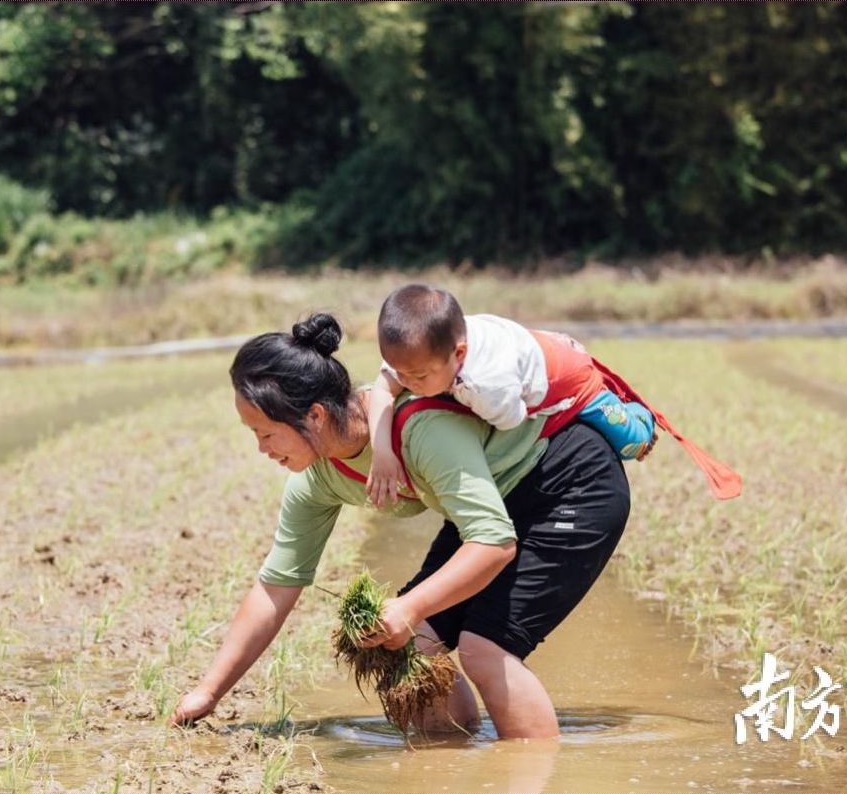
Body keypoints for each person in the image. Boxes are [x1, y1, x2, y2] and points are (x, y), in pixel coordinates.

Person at [169, 313, 634, 739]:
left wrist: (408, 606)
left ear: (313, 415)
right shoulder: (318, 478)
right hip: (497, 497)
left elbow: (492, 544)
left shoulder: (420, 429)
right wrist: (208, 693)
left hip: (570, 482)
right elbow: (275, 588)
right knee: (408, 643)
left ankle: (536, 779)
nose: (261, 449)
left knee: (484, 648)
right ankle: (453, 759)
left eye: (265, 432)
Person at [364, 284, 742, 508]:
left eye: (420, 375)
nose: (408, 383)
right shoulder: (420, 354)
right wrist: (383, 452)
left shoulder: (487, 385)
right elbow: (382, 387)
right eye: (403, 373)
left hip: (566, 377)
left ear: (458, 354)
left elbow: (512, 423)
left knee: (630, 441)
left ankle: (637, 417)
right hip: (524, 347)